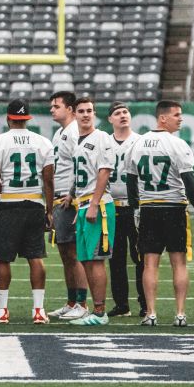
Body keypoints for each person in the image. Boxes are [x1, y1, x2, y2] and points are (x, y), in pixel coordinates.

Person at [126, 100, 194, 327]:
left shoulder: (137, 143)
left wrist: (135, 208)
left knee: (150, 263)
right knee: (178, 263)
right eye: (177, 115)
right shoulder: (177, 144)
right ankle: (180, 314)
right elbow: (190, 179)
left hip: (149, 207)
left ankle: (150, 313)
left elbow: (131, 180)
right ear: (163, 118)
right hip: (173, 208)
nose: (181, 119)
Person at [0, 99, 54, 324]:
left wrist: (6, 190)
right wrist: (49, 211)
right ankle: (39, 311)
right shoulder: (43, 142)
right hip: (34, 203)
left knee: (3, 259)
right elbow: (49, 182)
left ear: (8, 118)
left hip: (9, 205)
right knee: (36, 257)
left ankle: (2, 311)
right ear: (27, 118)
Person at [66, 98, 116, 326]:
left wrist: (94, 203)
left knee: (96, 260)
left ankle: (99, 312)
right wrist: (78, 201)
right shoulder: (79, 141)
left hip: (98, 204)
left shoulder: (101, 137)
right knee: (85, 259)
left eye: (89, 111)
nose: (86, 115)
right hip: (84, 204)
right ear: (74, 114)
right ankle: (94, 310)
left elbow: (104, 171)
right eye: (81, 111)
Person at [46, 91, 91, 320]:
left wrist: (73, 194)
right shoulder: (60, 132)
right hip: (60, 197)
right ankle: (72, 300)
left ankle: (82, 303)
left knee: (74, 253)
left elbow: (79, 164)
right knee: (65, 252)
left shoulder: (73, 131)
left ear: (70, 109)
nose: (52, 109)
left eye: (56, 106)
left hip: (69, 198)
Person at [104, 102, 144, 317]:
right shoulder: (104, 142)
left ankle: (145, 303)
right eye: (117, 113)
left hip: (135, 206)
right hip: (111, 206)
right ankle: (121, 305)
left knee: (141, 256)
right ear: (110, 119)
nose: (122, 116)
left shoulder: (140, 141)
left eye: (125, 112)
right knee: (116, 258)